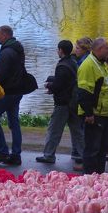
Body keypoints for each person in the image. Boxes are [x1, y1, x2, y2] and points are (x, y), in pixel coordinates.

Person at [36, 40, 84, 168]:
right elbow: (68, 81)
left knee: (54, 130)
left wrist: (50, 85)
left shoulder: (63, 65)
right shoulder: (73, 62)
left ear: (61, 50)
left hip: (63, 103)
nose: (57, 51)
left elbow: (59, 85)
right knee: (77, 131)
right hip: (73, 102)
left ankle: (48, 155)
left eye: (58, 49)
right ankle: (85, 155)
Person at [77, 37, 108, 174]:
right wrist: (89, 113)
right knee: (92, 149)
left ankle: (99, 178)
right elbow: (83, 92)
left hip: (104, 114)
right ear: (99, 49)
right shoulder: (88, 65)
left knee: (102, 148)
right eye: (107, 48)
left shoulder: (103, 64)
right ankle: (89, 179)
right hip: (94, 114)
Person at [0, 25, 26, 166]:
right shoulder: (18, 49)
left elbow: (2, 75)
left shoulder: (6, 53)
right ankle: (16, 154)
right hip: (18, 91)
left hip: (7, 92)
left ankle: (3, 151)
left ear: (5, 35)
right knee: (14, 122)